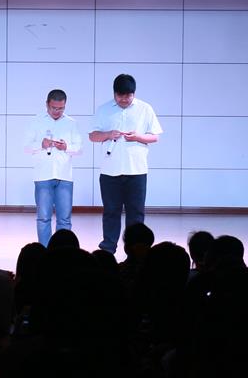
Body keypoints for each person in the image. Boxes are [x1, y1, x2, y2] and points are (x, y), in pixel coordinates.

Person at [90, 73, 162, 254]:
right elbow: (93, 136)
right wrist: (108, 134)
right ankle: (108, 249)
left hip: (136, 171)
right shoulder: (103, 110)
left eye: (128, 95)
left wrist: (138, 137)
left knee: (136, 213)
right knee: (111, 211)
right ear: (114, 93)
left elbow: (155, 136)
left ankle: (136, 250)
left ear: (134, 93)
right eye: (120, 95)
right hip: (109, 171)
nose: (124, 99)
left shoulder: (145, 109)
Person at [23, 88, 83, 247]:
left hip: (65, 176)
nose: (57, 111)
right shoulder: (36, 121)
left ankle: (63, 252)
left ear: (65, 105)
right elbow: (26, 147)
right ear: (47, 104)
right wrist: (40, 144)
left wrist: (66, 147)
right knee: (43, 217)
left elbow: (79, 149)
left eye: (61, 108)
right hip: (43, 175)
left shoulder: (71, 123)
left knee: (64, 219)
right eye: (54, 108)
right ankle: (44, 251)